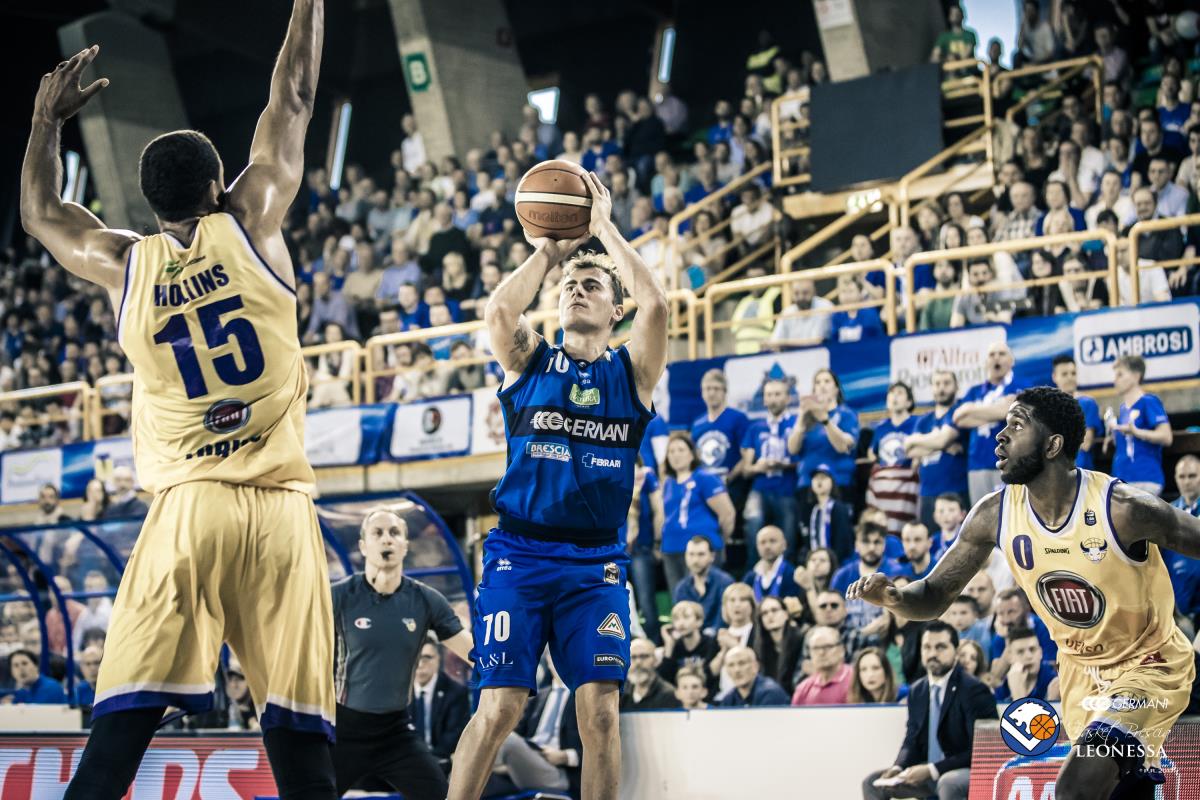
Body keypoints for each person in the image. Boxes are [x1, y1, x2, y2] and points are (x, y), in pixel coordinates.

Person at [20, 7, 338, 795]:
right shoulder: (255, 219)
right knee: (299, 743)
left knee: (121, 730)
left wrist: (42, 124)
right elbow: (293, 96)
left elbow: (42, 214)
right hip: (281, 510)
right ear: (218, 184)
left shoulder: (124, 263)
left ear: (151, 205)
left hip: (190, 508)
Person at [849, 386, 1198, 799]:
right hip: (1080, 673)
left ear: (1052, 445)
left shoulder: (1123, 508)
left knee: (1075, 787)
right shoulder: (993, 513)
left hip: (1148, 666)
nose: (1000, 435)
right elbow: (934, 595)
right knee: (1120, 789)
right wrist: (893, 598)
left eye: (1016, 425)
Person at [449, 171, 669, 800]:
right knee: (500, 710)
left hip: (595, 563)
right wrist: (549, 253)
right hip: (519, 556)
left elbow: (657, 306)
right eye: (571, 285)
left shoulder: (632, 375)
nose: (577, 289)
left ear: (613, 307)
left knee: (600, 714)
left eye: (591, 284)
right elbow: (498, 310)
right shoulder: (531, 359)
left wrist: (601, 230)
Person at [332, 509, 473, 798]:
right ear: (363, 546)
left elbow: (472, 650)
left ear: (405, 546)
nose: (387, 540)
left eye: (395, 533)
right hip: (344, 730)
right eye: (378, 533)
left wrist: (514, 659)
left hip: (395, 732)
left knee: (440, 795)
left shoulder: (425, 599)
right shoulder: (339, 596)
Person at [860, 622, 996, 800]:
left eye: (940, 647)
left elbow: (983, 750)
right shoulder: (917, 690)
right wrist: (898, 767)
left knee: (948, 782)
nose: (932, 654)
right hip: (930, 770)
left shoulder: (974, 690)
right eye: (927, 647)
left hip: (969, 770)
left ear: (956, 651)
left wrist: (933, 770)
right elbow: (912, 740)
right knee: (872, 782)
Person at [491, 657, 582, 795]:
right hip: (530, 759)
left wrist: (565, 756)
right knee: (494, 732)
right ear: (548, 660)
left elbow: (598, 747)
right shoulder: (539, 697)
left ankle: (487, 765)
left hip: (560, 772)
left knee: (503, 738)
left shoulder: (582, 698)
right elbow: (519, 734)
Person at [953, 343, 1027, 504]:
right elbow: (959, 418)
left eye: (1001, 354)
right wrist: (998, 410)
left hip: (1011, 462)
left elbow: (1011, 411)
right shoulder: (974, 391)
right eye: (992, 355)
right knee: (982, 519)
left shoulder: (1021, 386)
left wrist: (972, 410)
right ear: (986, 362)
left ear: (1011, 361)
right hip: (977, 464)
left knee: (1011, 516)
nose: (996, 358)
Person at [661, 434, 736, 588]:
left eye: (681, 450)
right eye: (671, 451)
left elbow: (727, 513)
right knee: (680, 599)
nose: (676, 455)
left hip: (702, 550)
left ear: (691, 454)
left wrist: (721, 541)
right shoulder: (668, 482)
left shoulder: (704, 477)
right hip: (671, 548)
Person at [905, 370, 968, 532]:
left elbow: (941, 440)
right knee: (930, 544)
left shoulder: (958, 413)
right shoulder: (923, 420)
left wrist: (921, 442)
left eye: (946, 383)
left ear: (956, 387)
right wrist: (944, 446)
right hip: (928, 492)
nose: (941, 388)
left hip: (956, 491)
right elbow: (910, 451)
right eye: (937, 384)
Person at [739, 378, 798, 552]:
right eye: (769, 395)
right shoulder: (755, 428)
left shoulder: (797, 423)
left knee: (788, 535)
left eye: (778, 394)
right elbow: (746, 469)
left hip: (787, 488)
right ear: (764, 399)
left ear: (788, 398)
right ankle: (753, 570)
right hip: (760, 487)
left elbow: (805, 459)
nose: (773, 399)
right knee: (753, 521)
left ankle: (786, 572)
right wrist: (760, 467)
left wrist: (784, 465)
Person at [1108, 354, 1173, 496]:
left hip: (1145, 478)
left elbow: (1166, 437)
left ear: (1136, 376)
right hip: (1122, 479)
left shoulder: (1148, 401)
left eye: (1120, 374)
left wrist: (1137, 432)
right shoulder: (1123, 408)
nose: (1115, 380)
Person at [788, 368, 860, 492]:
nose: (822, 386)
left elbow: (843, 447)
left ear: (836, 389)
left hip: (838, 483)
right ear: (814, 390)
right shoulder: (807, 418)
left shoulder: (847, 414)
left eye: (827, 381)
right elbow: (792, 449)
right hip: (808, 484)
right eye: (818, 382)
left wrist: (826, 421)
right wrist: (801, 417)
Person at [409, 639, 470, 771]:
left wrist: (426, 760)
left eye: (427, 658)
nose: (420, 664)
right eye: (415, 657)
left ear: (438, 660)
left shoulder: (455, 692)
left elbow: (454, 735)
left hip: (440, 760)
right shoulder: (399, 693)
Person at [868, 382, 919, 536]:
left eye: (899, 393)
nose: (894, 396)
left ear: (909, 402)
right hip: (886, 487)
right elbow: (872, 453)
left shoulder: (917, 422)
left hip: (908, 486)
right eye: (891, 393)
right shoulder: (881, 428)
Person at [831, 523, 901, 629]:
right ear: (856, 545)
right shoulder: (842, 576)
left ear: (884, 545)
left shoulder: (897, 572)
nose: (872, 547)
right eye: (866, 541)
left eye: (877, 542)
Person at [691, 369, 751, 484]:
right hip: (706, 487)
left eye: (716, 388)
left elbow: (747, 456)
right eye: (708, 389)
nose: (712, 393)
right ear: (702, 393)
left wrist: (729, 478)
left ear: (725, 391)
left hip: (734, 486)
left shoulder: (738, 418)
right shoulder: (697, 424)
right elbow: (695, 458)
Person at [672, 536, 735, 635]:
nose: (695, 560)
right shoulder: (681, 588)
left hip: (719, 640)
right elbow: (679, 621)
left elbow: (724, 622)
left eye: (701, 554)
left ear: (712, 557)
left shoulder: (725, 582)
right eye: (691, 554)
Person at [658, 600, 720, 696]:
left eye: (686, 617)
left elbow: (709, 677)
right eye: (676, 619)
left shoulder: (711, 643)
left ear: (699, 621)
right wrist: (669, 645)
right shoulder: (674, 646)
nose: (681, 623)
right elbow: (664, 679)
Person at [1050, 354, 1102, 470]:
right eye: (1064, 374)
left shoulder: (1087, 403)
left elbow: (1086, 443)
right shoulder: (1048, 406)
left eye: (1073, 373)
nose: (1070, 377)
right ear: (1054, 377)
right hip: (1054, 475)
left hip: (1081, 473)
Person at [800, 466, 855, 562]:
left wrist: (834, 562)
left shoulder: (839, 508)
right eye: (816, 478)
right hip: (816, 562)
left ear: (832, 482)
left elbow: (843, 540)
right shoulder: (812, 510)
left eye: (823, 478)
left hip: (836, 562)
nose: (819, 481)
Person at [753, 595, 805, 695]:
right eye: (764, 613)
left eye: (774, 610)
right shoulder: (759, 647)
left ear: (786, 614)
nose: (770, 615)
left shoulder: (800, 640)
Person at [993, 626, 1059, 703]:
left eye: (1032, 649)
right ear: (1010, 657)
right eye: (1020, 652)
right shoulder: (1003, 690)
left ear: (1040, 653)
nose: (1028, 656)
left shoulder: (1055, 684)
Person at [791, 626, 852, 705]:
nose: (821, 653)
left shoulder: (855, 680)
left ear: (842, 650)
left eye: (828, 647)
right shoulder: (803, 689)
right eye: (815, 648)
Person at [742, 525, 801, 603]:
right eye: (762, 542)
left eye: (772, 541)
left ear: (784, 545)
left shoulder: (792, 575)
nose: (767, 546)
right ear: (757, 547)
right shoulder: (750, 577)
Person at [718, 645, 790, 707]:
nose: (736, 670)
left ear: (755, 666)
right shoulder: (729, 699)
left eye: (742, 663)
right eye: (731, 665)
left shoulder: (771, 693)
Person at [622, 638, 681, 711]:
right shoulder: (620, 694)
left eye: (644, 656)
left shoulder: (669, 695)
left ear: (656, 660)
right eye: (633, 657)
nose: (638, 662)